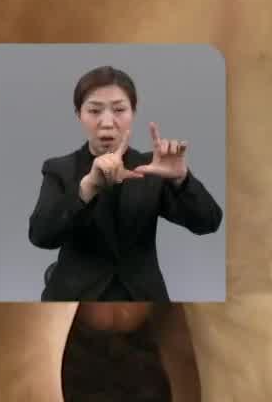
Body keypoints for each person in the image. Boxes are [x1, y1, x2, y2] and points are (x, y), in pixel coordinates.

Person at [28, 65, 224, 302]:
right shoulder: (60, 169)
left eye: (119, 109)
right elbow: (40, 236)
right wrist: (87, 188)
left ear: (133, 112)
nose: (107, 122)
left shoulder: (151, 167)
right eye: (94, 110)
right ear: (79, 114)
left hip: (143, 300)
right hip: (74, 299)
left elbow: (209, 222)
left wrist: (181, 178)